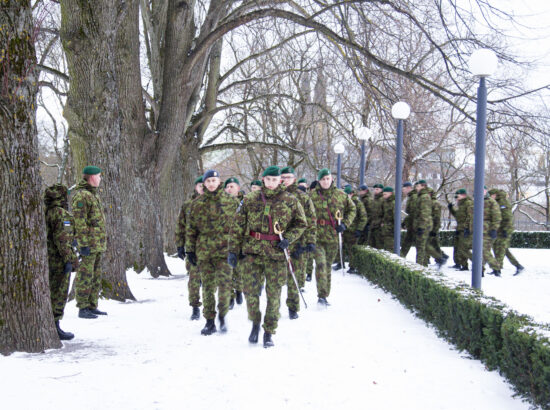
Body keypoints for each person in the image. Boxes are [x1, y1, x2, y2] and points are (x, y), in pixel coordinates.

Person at [228, 166, 307, 347]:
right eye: (268, 179)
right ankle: (255, 322)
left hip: (276, 254)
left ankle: (269, 331)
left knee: (274, 294)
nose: (271, 183)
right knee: (251, 292)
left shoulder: (290, 200)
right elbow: (237, 226)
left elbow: (301, 223)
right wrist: (233, 250)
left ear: (280, 181)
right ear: (263, 179)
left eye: (275, 180)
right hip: (252, 252)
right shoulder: (250, 199)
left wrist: (288, 238)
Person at [186, 170, 239, 335]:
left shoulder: (231, 202)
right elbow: (191, 230)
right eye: (207, 181)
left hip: (225, 252)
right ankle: (209, 321)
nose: (210, 184)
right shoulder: (197, 204)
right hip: (205, 252)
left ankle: (222, 315)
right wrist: (190, 250)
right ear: (204, 183)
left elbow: (239, 227)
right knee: (208, 288)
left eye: (213, 180)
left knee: (224, 286)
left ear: (219, 182)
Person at [310, 168, 356, 305]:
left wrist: (345, 224)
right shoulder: (312, 196)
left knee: (327, 266)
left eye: (327, 179)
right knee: (321, 264)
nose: (325, 181)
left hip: (333, 236)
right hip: (317, 236)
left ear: (332, 179)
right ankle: (321, 296)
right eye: (323, 179)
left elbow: (352, 209)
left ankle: (325, 294)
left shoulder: (341, 195)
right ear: (319, 180)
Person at [280, 166, 316, 319]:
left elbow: (311, 220)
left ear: (294, 179)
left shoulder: (303, 197)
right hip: (277, 243)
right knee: (276, 277)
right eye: (283, 177)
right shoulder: (273, 196)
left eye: (288, 177)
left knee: (295, 277)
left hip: (297, 243)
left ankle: (293, 307)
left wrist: (310, 241)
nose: (285, 180)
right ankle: (273, 307)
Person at [44, 184, 79, 340]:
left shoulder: (46, 211)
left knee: (51, 291)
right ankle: (55, 326)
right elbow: (63, 240)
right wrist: (69, 260)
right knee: (59, 293)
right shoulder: (60, 214)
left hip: (48, 259)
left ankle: (52, 324)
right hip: (58, 260)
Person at [72, 166, 107, 319]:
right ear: (92, 177)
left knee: (95, 275)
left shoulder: (93, 195)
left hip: (97, 243)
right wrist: (83, 244)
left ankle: (92, 305)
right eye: (98, 176)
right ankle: (83, 307)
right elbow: (79, 222)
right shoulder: (81, 196)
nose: (100, 179)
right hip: (89, 244)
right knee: (85, 275)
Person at [175, 176, 204, 320]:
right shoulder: (188, 205)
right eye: (200, 186)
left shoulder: (216, 204)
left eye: (204, 185)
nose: (202, 188)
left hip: (213, 248)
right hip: (193, 247)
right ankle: (195, 307)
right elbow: (180, 226)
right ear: (195, 187)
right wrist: (180, 245)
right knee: (194, 278)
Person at [489, 189, 524, 275]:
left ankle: (497, 268)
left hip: (505, 229)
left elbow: (507, 217)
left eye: (491, 195)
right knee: (501, 248)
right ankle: (518, 266)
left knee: (500, 248)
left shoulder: (502, 202)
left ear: (494, 195)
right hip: (500, 229)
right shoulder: (498, 202)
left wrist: (505, 230)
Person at [414, 180, 445, 267]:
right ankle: (436, 259)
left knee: (421, 247)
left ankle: (420, 266)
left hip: (424, 225)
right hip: (424, 225)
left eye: (418, 186)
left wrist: (421, 226)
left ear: (423, 186)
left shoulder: (424, 197)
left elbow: (425, 213)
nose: (416, 188)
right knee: (424, 246)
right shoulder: (421, 196)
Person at [224, 177, 244, 308]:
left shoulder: (245, 202)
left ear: (238, 188)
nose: (230, 189)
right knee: (227, 269)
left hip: (240, 240)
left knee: (239, 269)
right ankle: (230, 296)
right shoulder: (222, 203)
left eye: (233, 186)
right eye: (228, 187)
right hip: (225, 241)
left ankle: (239, 289)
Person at [342, 185, 367, 273]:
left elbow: (363, 217)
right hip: (345, 228)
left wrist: (359, 229)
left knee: (352, 249)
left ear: (352, 194)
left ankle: (352, 266)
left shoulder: (358, 203)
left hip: (353, 230)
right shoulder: (344, 202)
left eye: (347, 194)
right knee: (342, 247)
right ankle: (340, 262)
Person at [448, 188, 473, 271]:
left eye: (457, 196)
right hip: (460, 229)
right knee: (457, 247)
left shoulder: (468, 203)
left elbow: (470, 217)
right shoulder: (461, 204)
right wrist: (451, 209)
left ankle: (476, 264)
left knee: (464, 248)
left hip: (465, 230)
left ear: (463, 195)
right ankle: (460, 264)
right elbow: (458, 216)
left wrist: (467, 228)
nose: (456, 198)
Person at [482, 187, 502, 276]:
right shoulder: (476, 201)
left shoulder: (491, 202)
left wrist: (494, 229)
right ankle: (480, 269)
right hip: (479, 231)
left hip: (488, 230)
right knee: (481, 250)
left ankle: (496, 268)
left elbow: (497, 217)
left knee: (484, 251)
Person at [400, 182, 417, 257]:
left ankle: (440, 257)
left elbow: (413, 212)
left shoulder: (413, 197)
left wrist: (406, 222)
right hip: (411, 224)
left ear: (408, 188)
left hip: (414, 225)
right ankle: (401, 257)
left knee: (422, 245)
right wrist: (404, 223)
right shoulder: (410, 197)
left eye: (403, 189)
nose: (403, 191)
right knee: (407, 242)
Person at [368, 184, 384, 249]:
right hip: (373, 225)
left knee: (379, 246)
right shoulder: (374, 200)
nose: (375, 191)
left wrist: (382, 222)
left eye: (377, 189)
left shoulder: (382, 200)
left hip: (379, 226)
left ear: (381, 190)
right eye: (374, 189)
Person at [380, 186, 395, 252]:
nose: (383, 196)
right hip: (386, 228)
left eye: (385, 194)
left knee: (390, 248)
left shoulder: (393, 203)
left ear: (390, 193)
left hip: (390, 229)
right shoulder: (385, 202)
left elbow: (395, 217)